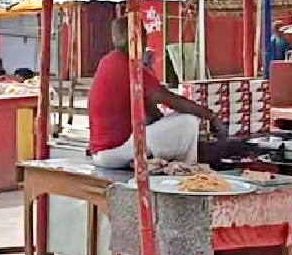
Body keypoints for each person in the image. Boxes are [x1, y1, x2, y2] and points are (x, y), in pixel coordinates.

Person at [88, 16, 226, 169]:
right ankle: (187, 167)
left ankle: (179, 163)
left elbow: (152, 113)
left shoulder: (107, 61)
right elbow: (171, 100)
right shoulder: (129, 67)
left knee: (175, 120)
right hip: (117, 151)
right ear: (139, 37)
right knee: (188, 121)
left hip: (105, 153)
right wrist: (210, 116)